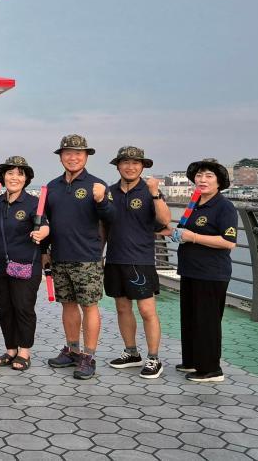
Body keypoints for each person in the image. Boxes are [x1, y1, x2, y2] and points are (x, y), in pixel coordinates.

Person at [43, 134, 115, 380]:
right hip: (60, 256)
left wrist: (101, 199)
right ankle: (72, 350)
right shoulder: (52, 187)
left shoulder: (97, 184)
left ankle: (89, 356)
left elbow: (111, 217)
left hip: (87, 258)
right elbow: (45, 222)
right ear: (61, 156)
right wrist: (45, 252)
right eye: (68, 153)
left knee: (90, 306)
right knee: (68, 305)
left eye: (78, 154)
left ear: (86, 156)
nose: (73, 158)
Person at [104, 146, 171, 379]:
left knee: (146, 310)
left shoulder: (149, 190)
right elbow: (103, 226)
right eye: (125, 162)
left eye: (135, 163)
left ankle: (154, 358)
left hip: (140, 260)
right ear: (118, 165)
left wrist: (154, 193)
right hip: (114, 259)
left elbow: (164, 220)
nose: (130, 167)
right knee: (122, 308)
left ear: (143, 166)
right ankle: (131, 352)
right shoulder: (110, 192)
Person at [172, 158, 239, 382]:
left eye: (209, 176)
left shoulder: (224, 206)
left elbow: (229, 242)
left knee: (207, 321)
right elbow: (184, 229)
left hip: (211, 272)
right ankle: (192, 361)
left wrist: (193, 237)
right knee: (191, 318)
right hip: (190, 269)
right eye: (199, 176)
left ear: (219, 182)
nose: (202, 180)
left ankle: (211, 369)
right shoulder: (195, 203)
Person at [0, 156, 49, 372]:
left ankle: (24, 351)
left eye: (20, 173)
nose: (14, 177)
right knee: (4, 308)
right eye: (10, 173)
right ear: (2, 177)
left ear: (26, 179)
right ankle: (11, 349)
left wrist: (43, 232)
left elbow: (44, 227)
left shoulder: (34, 204)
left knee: (23, 308)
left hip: (26, 266)